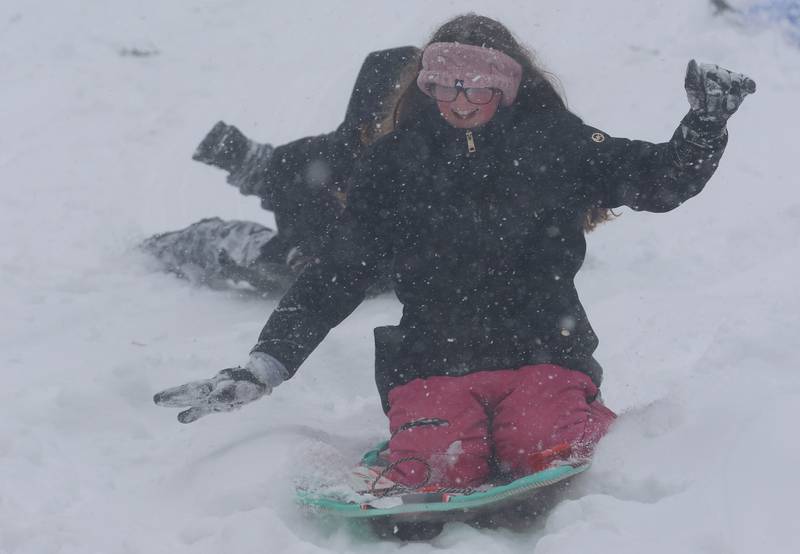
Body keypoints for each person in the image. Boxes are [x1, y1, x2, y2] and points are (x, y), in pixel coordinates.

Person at [154, 14, 755, 492]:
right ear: (426, 85)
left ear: (508, 86)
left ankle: (546, 426)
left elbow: (656, 181)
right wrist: (264, 367)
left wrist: (703, 128)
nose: (459, 101)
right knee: (435, 468)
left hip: (544, 348)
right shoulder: (394, 162)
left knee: (545, 447)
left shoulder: (556, 142)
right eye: (445, 85)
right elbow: (338, 274)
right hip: (432, 359)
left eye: (478, 87)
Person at [141, 47, 419, 293]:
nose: (377, 131)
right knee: (305, 166)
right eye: (371, 124)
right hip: (313, 228)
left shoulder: (420, 170)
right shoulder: (346, 149)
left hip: (325, 259)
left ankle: (253, 176)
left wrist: (307, 253)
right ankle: (252, 165)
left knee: (247, 248)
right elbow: (304, 162)